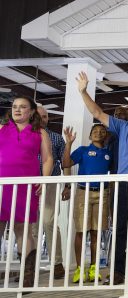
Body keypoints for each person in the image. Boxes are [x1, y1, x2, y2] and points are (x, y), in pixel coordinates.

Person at [76, 70, 128, 285]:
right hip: (122, 183)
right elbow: (97, 112)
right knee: (120, 227)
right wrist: (83, 91)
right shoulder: (123, 127)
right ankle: (119, 272)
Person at [0, 95, 53, 287]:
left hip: (26, 187)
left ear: (31, 112)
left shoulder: (40, 133)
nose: (17, 110)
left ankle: (27, 276)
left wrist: (44, 180)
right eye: (15, 106)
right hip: (1, 186)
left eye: (23, 107)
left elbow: (47, 159)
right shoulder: (1, 129)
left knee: (22, 229)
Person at [62, 124, 112, 283]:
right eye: (95, 131)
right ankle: (79, 268)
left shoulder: (109, 153)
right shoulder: (83, 150)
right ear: (90, 136)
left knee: (97, 232)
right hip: (83, 192)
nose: (98, 133)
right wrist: (68, 143)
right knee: (81, 232)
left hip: (102, 193)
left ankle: (93, 268)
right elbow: (66, 163)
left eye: (102, 131)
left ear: (106, 136)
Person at [35, 106, 67, 279]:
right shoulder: (27, 136)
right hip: (29, 184)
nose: (43, 119)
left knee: (49, 222)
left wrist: (67, 186)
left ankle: (57, 263)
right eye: (39, 116)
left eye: (46, 116)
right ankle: (29, 266)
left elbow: (64, 162)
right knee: (30, 226)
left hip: (51, 183)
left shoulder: (55, 138)